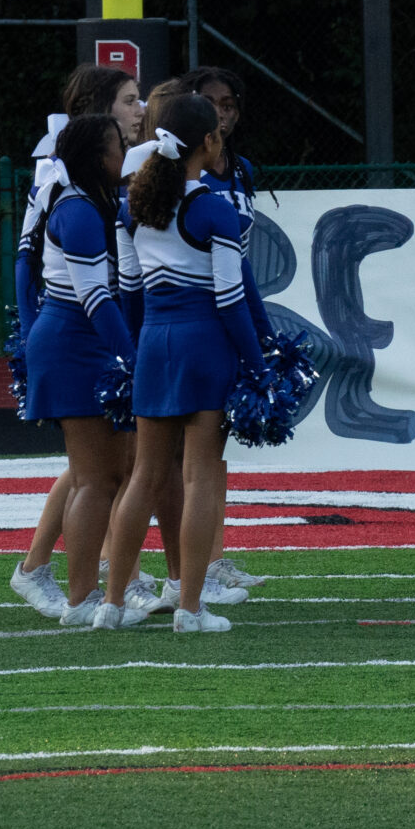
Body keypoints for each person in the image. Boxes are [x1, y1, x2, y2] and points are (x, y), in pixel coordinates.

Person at [101, 95, 265, 632]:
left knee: (144, 476)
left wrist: (135, 352)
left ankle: (111, 605)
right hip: (205, 348)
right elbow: (231, 300)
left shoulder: (133, 207)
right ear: (209, 142)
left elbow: (129, 294)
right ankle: (191, 610)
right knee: (198, 478)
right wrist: (258, 363)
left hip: (154, 344)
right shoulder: (214, 209)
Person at [8, 65, 145, 618]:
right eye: (118, 148)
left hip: (81, 340)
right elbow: (94, 299)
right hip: (73, 341)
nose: (126, 155)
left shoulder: (94, 203)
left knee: (108, 475)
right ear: (96, 157)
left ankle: (93, 587)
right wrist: (133, 358)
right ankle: (82, 595)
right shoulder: (79, 210)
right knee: (94, 479)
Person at [174, 66, 269, 596]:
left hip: (228, 313)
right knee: (162, 461)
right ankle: (135, 569)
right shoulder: (178, 176)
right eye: (212, 103)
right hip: (197, 316)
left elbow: (241, 258)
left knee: (213, 452)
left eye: (229, 103)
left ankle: (211, 559)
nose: (222, 113)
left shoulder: (242, 170)